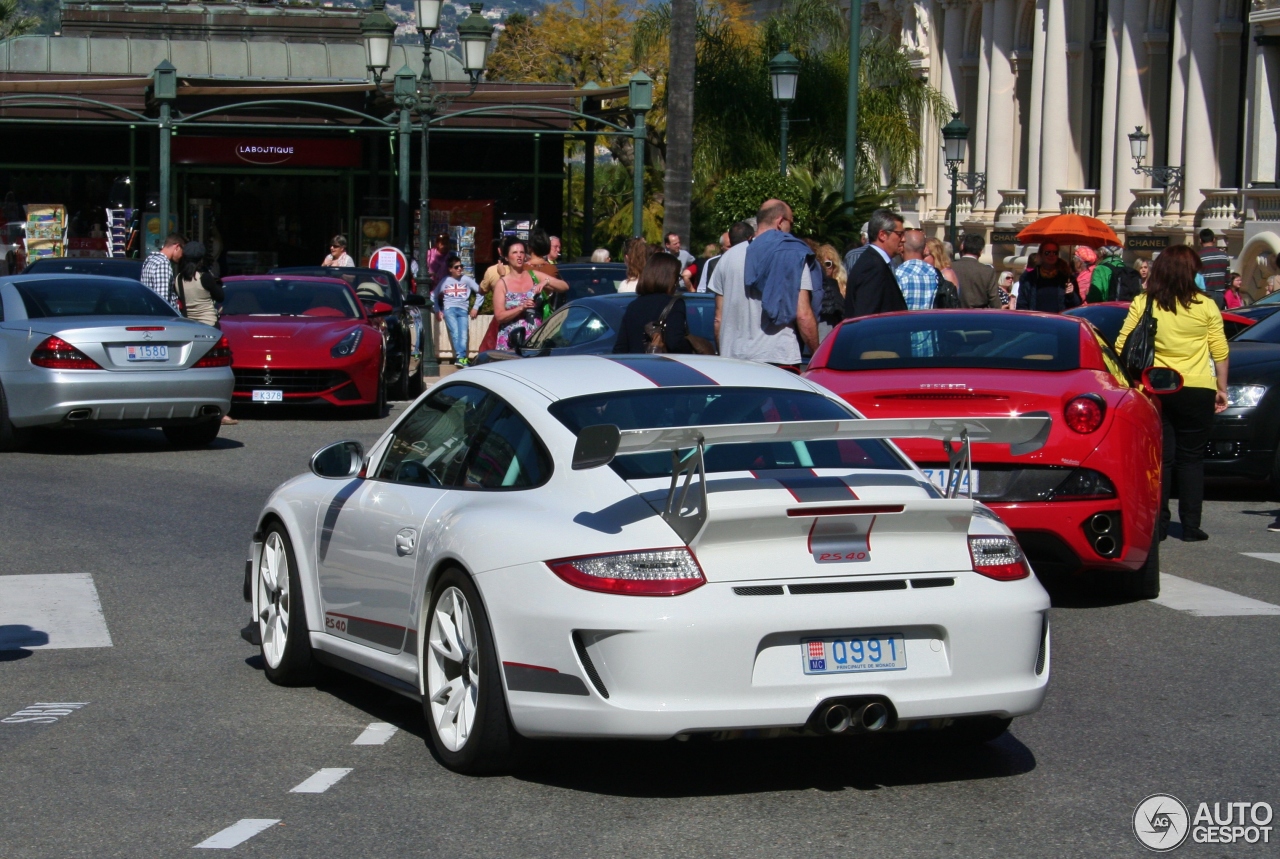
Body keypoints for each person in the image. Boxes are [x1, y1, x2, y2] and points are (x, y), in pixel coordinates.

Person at [1116, 245, 1228, 542]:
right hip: (1197, 386)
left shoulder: (1145, 302)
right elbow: (1220, 350)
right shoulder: (1206, 305)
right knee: (1192, 459)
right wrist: (1221, 388)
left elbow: (1122, 345)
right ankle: (1191, 525)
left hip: (1156, 387)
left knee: (1161, 460)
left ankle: (1159, 524)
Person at [711, 200, 817, 367]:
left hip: (733, 360)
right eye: (791, 222)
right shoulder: (791, 254)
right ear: (781, 222)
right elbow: (803, 314)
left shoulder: (727, 258)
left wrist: (724, 350)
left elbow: (718, 318)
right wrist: (817, 355)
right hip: (778, 357)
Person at [613, 252, 691, 354]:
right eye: (677, 277)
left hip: (634, 366)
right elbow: (675, 343)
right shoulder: (674, 304)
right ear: (670, 279)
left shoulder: (633, 305)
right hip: (662, 367)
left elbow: (620, 348)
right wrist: (692, 347)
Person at [845, 209, 908, 318]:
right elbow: (866, 317)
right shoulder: (873, 267)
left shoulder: (875, 262)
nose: (904, 239)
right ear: (882, 235)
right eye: (900, 234)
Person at [492, 240, 546, 351]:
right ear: (506, 257)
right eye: (515, 252)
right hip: (512, 340)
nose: (519, 255)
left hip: (535, 338)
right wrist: (521, 307)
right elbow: (499, 316)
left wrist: (547, 281)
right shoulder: (502, 284)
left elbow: (564, 286)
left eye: (522, 252)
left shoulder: (533, 275)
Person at [432, 255, 483, 367]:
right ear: (450, 269)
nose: (460, 269)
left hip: (463, 310)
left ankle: (460, 358)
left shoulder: (467, 280)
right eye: (456, 267)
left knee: (463, 334)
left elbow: (481, 291)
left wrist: (476, 307)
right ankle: (461, 358)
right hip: (449, 309)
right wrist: (437, 310)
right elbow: (433, 295)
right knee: (455, 333)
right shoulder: (445, 280)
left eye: (461, 266)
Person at [1017, 243, 1078, 312]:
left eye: (1055, 252)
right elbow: (1022, 304)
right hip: (1036, 320)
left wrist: (1071, 294)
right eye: (1047, 252)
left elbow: (1076, 306)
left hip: (1059, 321)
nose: (1051, 255)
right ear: (1040, 255)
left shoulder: (1067, 278)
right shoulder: (1029, 277)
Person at [952, 233, 1002, 308]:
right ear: (981, 251)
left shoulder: (950, 267)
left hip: (953, 314)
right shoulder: (987, 271)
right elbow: (994, 300)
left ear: (963, 248)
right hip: (978, 315)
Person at [895, 230, 938, 311]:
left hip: (903, 322)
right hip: (930, 322)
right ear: (925, 248)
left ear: (901, 247)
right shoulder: (935, 274)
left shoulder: (897, 274)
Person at [141, 233, 185, 310]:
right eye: (182, 252)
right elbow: (162, 300)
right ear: (177, 247)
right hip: (162, 318)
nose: (181, 256)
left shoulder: (150, 260)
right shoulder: (163, 263)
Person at [813, 243, 847, 340]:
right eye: (822, 264)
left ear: (834, 266)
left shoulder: (843, 286)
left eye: (828, 264)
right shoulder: (817, 285)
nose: (824, 268)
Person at [1198, 229, 1230, 295]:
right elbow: (1228, 279)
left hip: (1204, 293)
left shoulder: (1197, 257)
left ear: (1200, 240)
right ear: (1214, 240)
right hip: (1220, 293)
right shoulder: (1224, 256)